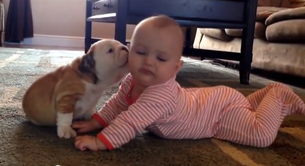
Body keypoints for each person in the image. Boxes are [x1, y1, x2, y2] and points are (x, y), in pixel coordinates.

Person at [72, 15, 305, 151]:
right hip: (213, 100)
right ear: (130, 50)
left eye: (161, 58)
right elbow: (118, 104)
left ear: (176, 68)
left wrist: (100, 142)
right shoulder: (132, 80)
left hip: (218, 114)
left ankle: (278, 93)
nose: (148, 62)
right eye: (140, 52)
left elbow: (130, 122)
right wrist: (96, 121)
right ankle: (263, 99)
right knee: (248, 111)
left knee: (261, 135)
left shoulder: (158, 94)